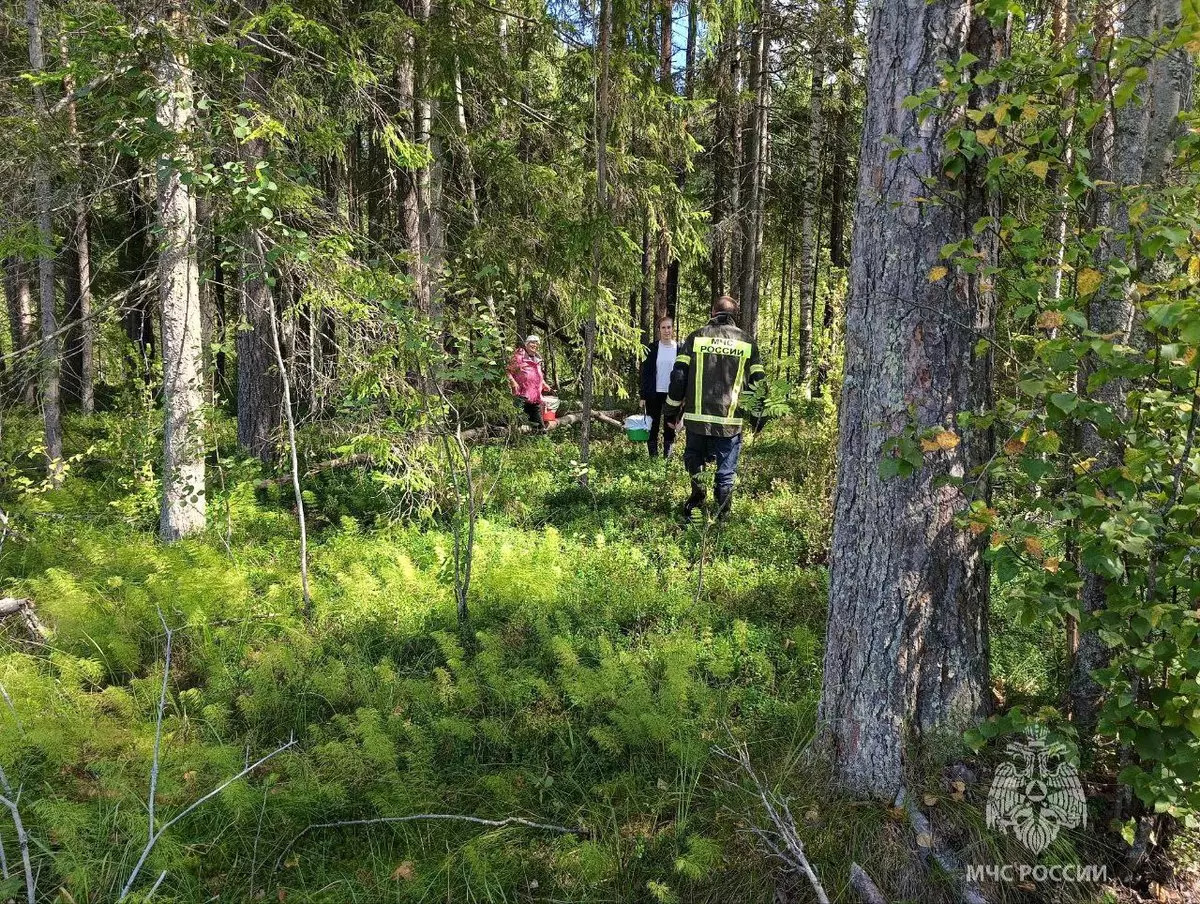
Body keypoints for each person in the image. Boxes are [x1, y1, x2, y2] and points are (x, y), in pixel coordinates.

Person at [664, 296, 766, 523]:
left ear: (712, 313)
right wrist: (759, 417)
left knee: (695, 459)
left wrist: (670, 411)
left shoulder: (696, 337)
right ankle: (722, 517)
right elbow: (758, 383)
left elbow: (679, 377)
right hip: (730, 422)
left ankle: (697, 502)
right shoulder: (747, 342)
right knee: (725, 472)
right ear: (734, 316)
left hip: (697, 419)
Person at [638, 315, 678, 457]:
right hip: (654, 393)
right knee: (653, 425)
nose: (666, 330)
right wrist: (643, 395)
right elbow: (646, 373)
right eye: (663, 328)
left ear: (672, 329)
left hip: (672, 394)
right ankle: (653, 457)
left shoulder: (679, 348)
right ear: (659, 330)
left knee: (669, 426)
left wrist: (684, 395)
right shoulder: (653, 348)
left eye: (669, 327)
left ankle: (667, 456)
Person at [508, 334, 552, 429]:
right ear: (526, 344)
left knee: (540, 429)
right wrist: (513, 382)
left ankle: (538, 441)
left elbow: (537, 375)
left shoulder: (537, 360)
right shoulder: (519, 357)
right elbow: (507, 371)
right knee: (515, 423)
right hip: (521, 396)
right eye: (532, 342)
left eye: (537, 343)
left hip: (534, 398)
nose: (535, 345)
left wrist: (544, 384)